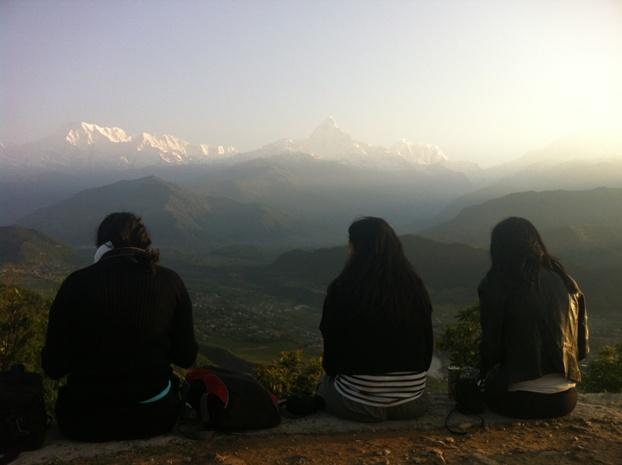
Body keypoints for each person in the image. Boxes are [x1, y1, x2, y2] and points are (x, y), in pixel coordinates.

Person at [42, 212, 198, 441]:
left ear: (102, 247)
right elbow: (186, 357)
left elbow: (53, 367)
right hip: (156, 416)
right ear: (145, 245)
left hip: (84, 420)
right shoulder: (171, 282)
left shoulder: (75, 284)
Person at [318, 217, 433, 422]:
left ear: (357, 249)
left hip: (357, 404)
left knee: (324, 383)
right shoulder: (415, 288)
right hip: (413, 403)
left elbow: (331, 359)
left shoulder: (343, 289)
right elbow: (426, 354)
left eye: (350, 245)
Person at [479, 217, 589, 419]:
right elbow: (581, 349)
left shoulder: (496, 284)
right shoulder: (567, 281)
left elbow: (491, 349)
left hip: (517, 400)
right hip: (565, 400)